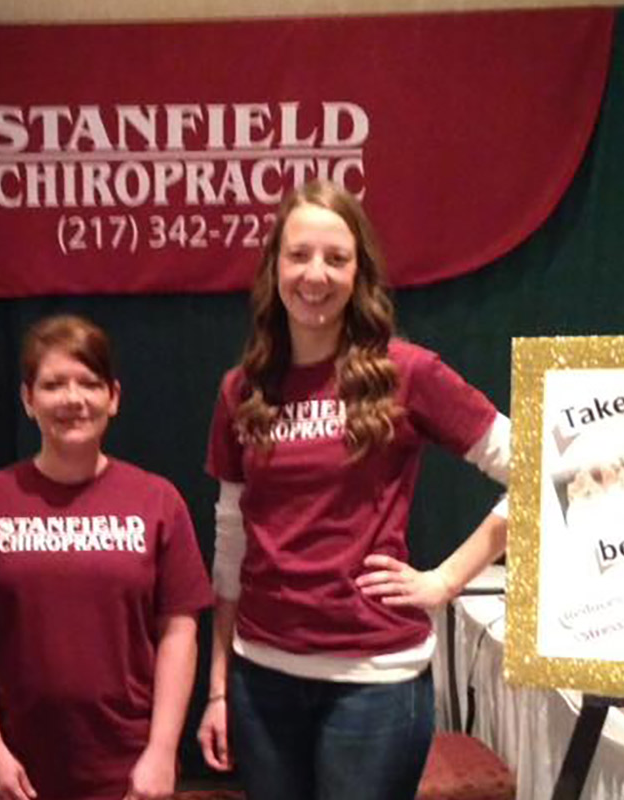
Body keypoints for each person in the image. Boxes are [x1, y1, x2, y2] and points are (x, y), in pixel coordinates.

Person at [195, 180, 510, 800]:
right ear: (274, 268)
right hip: (263, 678)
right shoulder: (242, 389)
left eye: (336, 258)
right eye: (299, 255)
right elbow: (230, 540)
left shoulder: (408, 374)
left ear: (358, 272)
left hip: (376, 682)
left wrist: (446, 581)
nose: (316, 274)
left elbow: (542, 474)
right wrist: (219, 682)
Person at [0, 314, 212, 800]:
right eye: (53, 384)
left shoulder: (157, 501)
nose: (72, 399)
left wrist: (163, 750)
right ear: (27, 399)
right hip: (20, 771)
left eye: (89, 383)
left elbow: (179, 631)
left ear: (114, 397)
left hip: (129, 772)